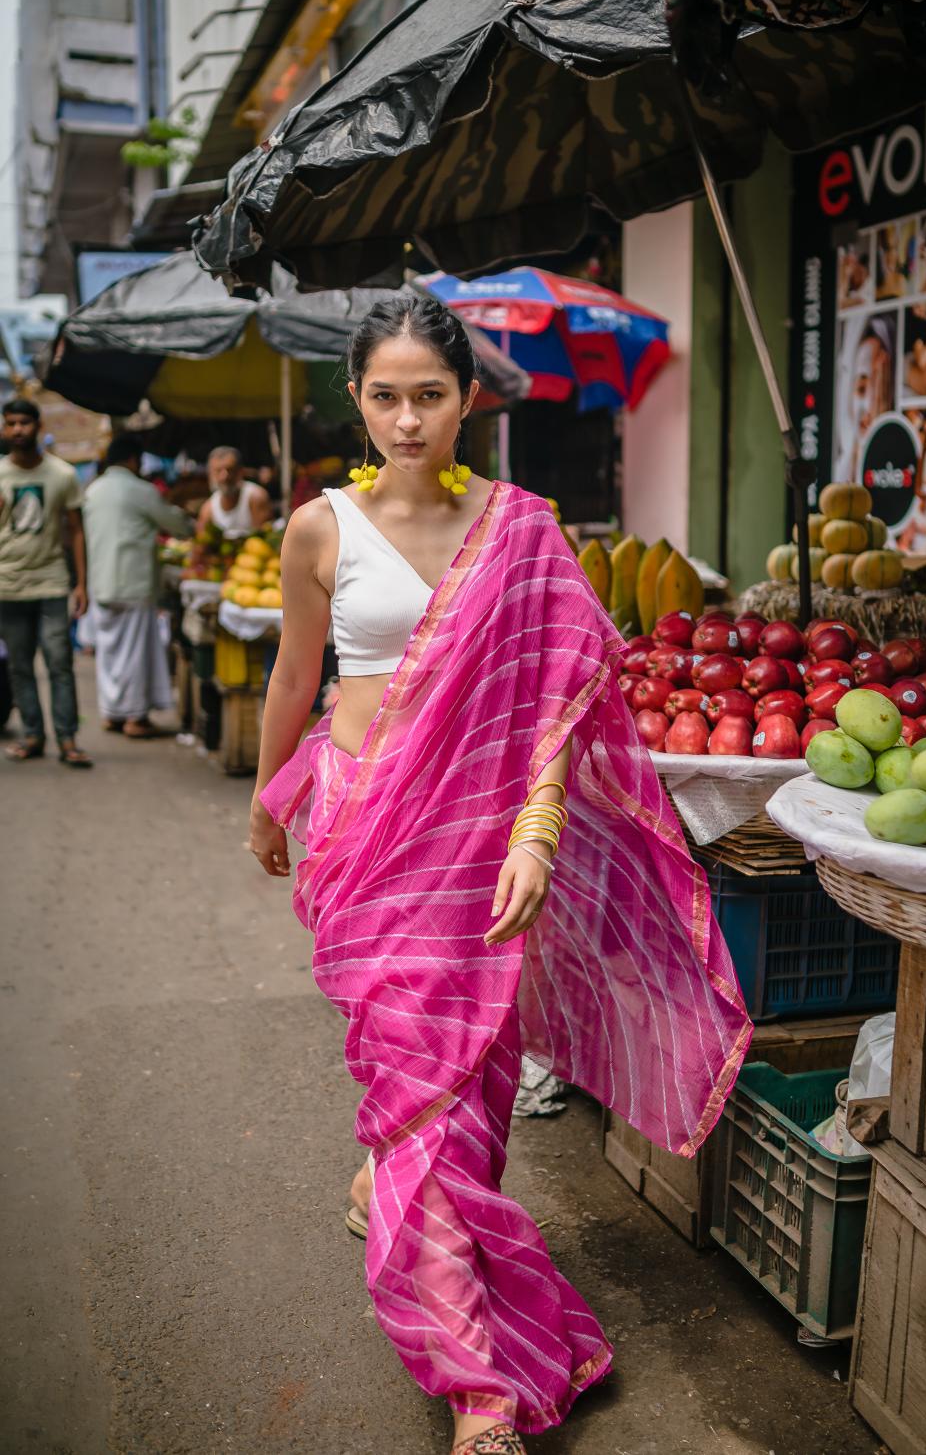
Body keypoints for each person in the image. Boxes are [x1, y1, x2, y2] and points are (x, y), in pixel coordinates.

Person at [247, 296, 751, 1455]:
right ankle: (400, 1167)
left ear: (469, 397)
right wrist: (267, 798)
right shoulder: (319, 527)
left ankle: (475, 1381)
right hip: (359, 831)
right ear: (357, 401)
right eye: (384, 395)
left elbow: (556, 700)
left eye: (430, 393)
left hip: (479, 844)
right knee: (402, 1057)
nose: (407, 417)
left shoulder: (523, 528)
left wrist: (534, 833)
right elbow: (293, 675)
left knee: (460, 1080)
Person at [0, 397, 92, 765]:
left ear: (38, 427)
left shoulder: (63, 475)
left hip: (52, 582)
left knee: (59, 662)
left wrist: (82, 583)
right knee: (19, 664)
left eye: (24, 423)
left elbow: (76, 532)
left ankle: (68, 740)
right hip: (7, 584)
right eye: (11, 423)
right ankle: (33, 735)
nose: (17, 429)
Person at [82, 434, 192, 737]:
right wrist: (191, 521)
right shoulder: (140, 490)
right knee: (133, 653)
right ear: (133, 460)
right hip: (133, 582)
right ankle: (133, 717)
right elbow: (176, 524)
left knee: (109, 653)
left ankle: (112, 713)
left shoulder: (93, 489)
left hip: (101, 582)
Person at [195, 445, 271, 539]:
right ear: (210, 474)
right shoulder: (208, 509)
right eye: (218, 471)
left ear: (241, 471)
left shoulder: (255, 497)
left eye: (230, 470)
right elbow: (200, 544)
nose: (224, 476)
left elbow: (264, 539)